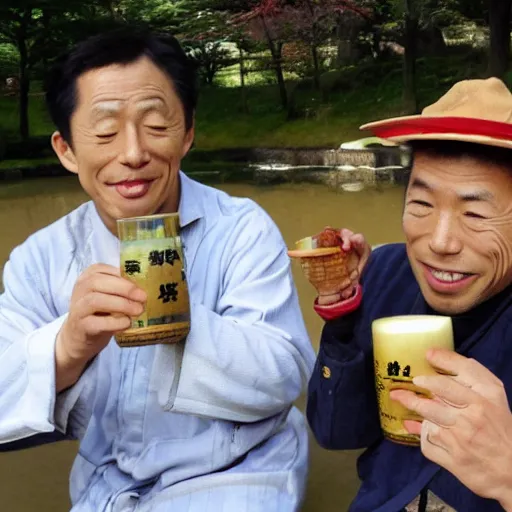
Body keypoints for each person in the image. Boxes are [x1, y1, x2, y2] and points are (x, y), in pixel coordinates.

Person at [0, 28, 315, 511]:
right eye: (105, 131)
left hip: (237, 475)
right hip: (107, 482)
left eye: (155, 124)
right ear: (66, 149)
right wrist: (67, 347)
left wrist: (174, 314)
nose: (132, 153)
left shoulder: (241, 229)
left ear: (187, 131)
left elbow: (285, 376)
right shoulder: (39, 259)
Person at [305, 77, 512, 512]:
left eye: (474, 213)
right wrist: (344, 315)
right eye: (421, 204)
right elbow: (336, 433)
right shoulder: (389, 272)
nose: (439, 241)